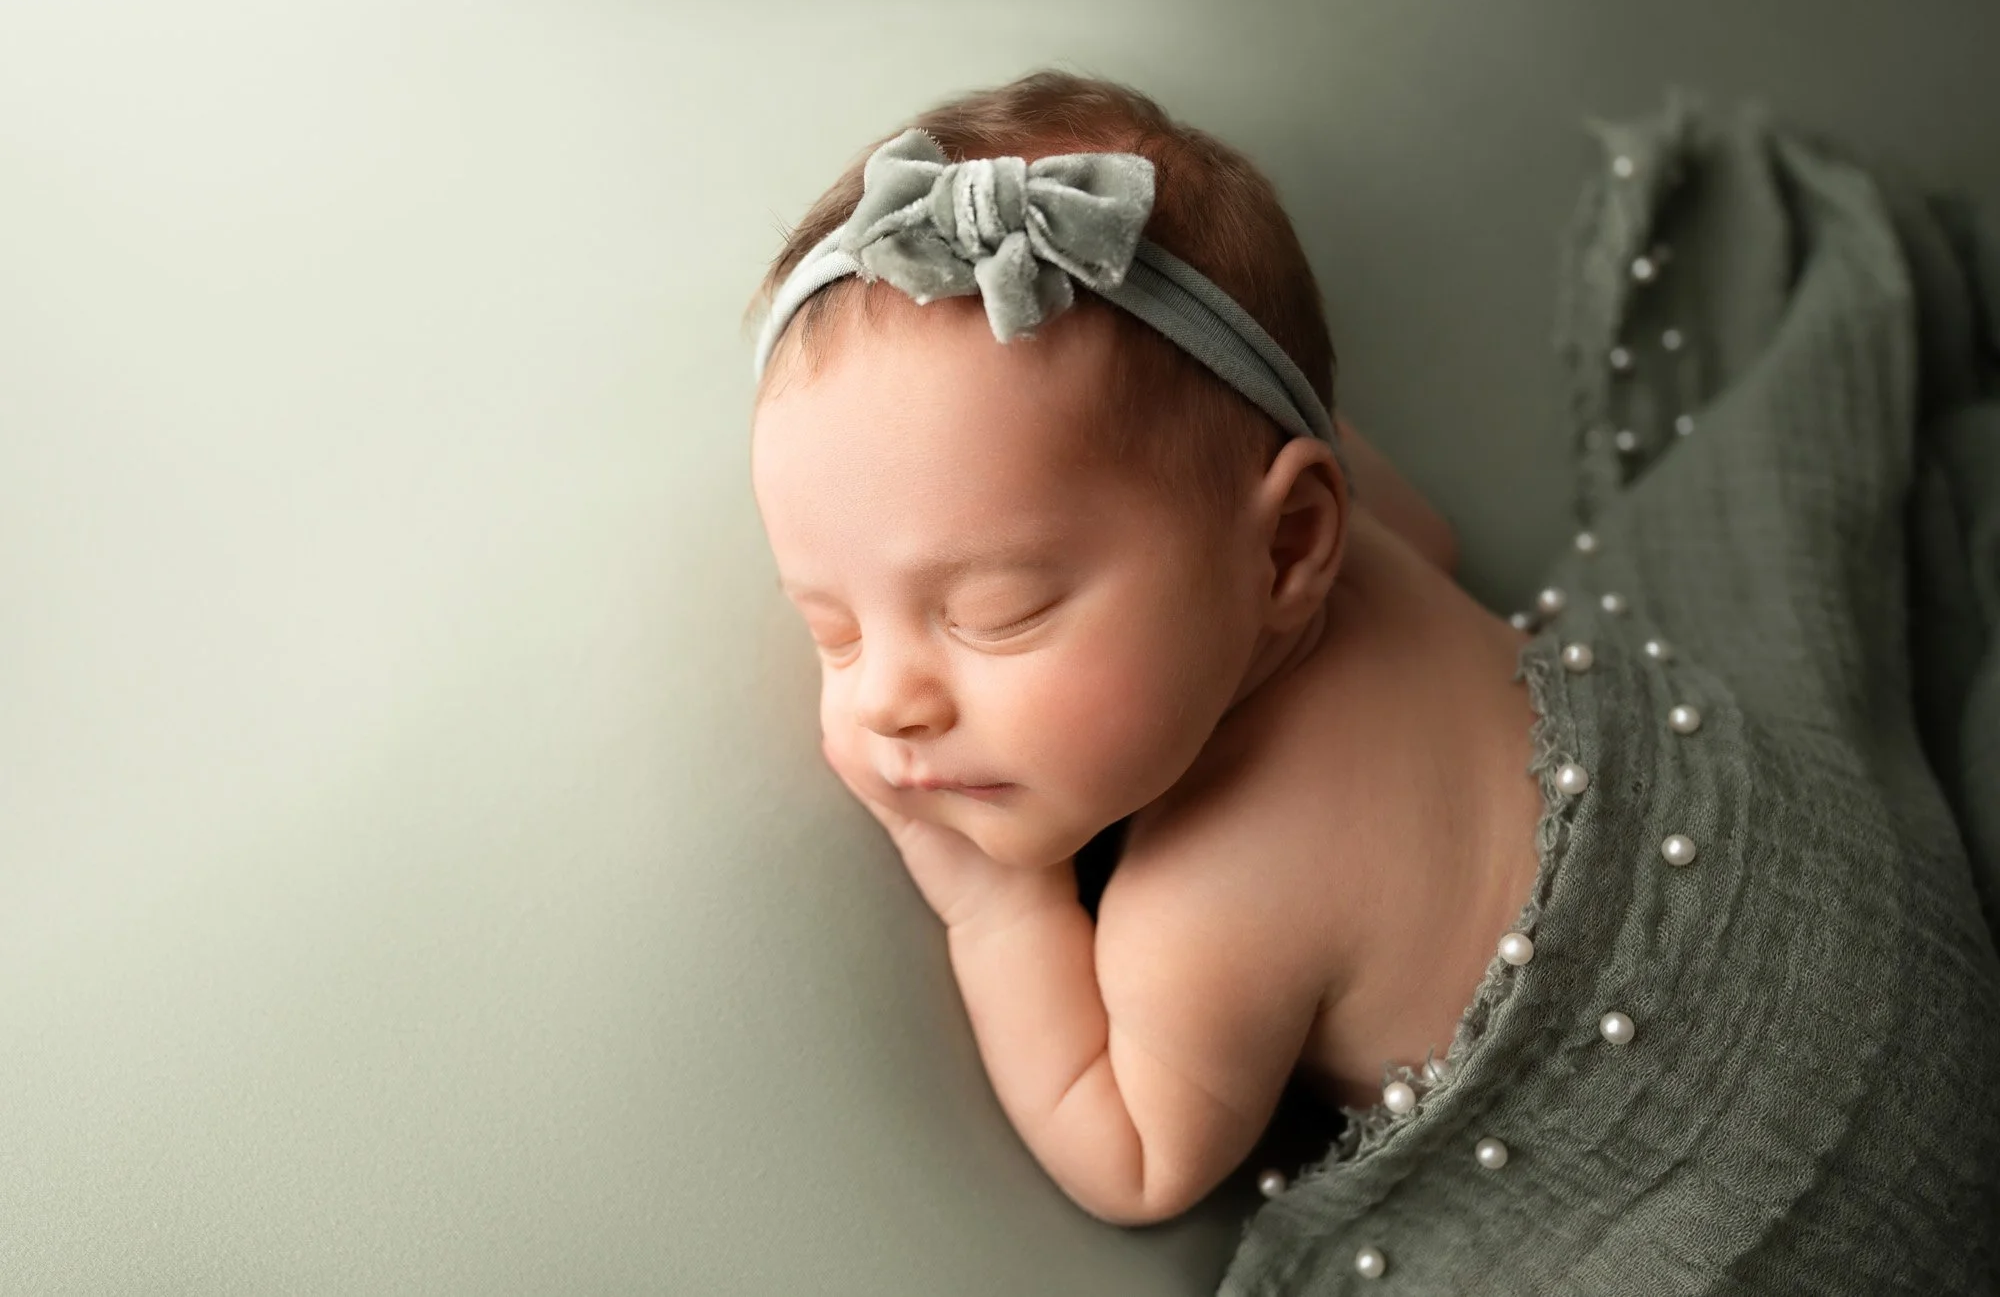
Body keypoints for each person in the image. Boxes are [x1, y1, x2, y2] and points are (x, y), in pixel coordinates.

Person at [742, 70, 2000, 1291]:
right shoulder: (1360, 548)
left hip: (1755, 1179)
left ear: (1289, 543)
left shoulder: (1204, 903)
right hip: (1847, 899)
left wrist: (992, 903)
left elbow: (1132, 1157)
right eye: (830, 628)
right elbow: (1423, 531)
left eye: (995, 612)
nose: (886, 698)